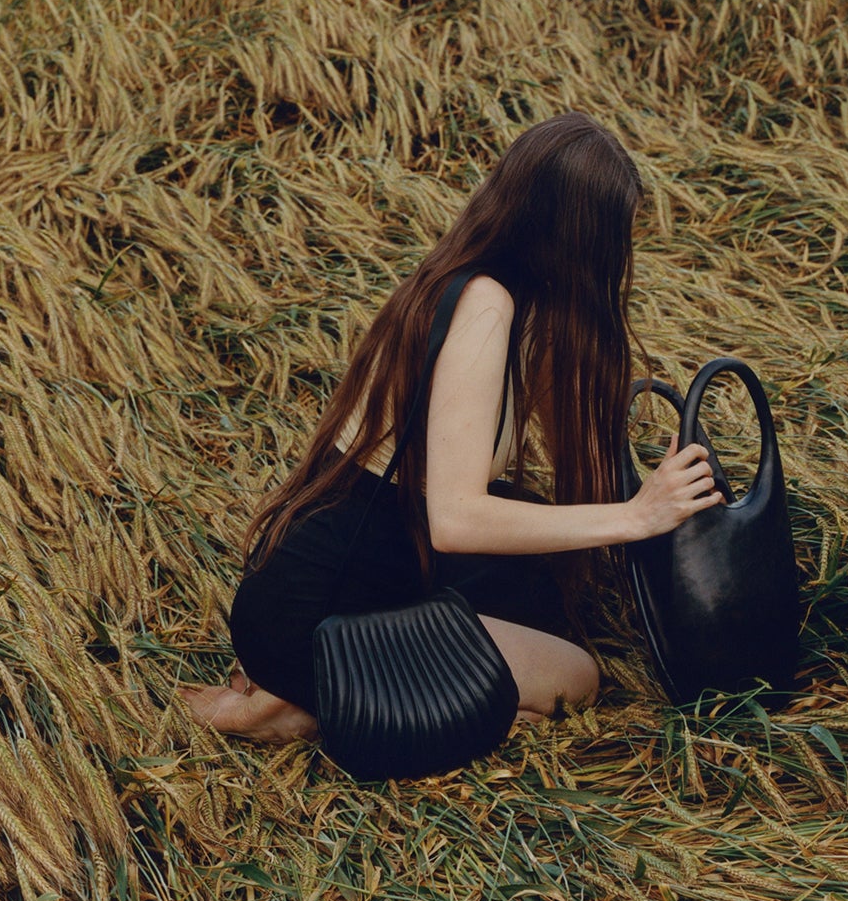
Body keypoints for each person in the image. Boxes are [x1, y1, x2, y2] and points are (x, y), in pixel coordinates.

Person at [180, 112, 724, 743]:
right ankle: (306, 706)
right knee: (575, 677)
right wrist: (636, 515)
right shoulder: (482, 310)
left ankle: (342, 691)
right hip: (317, 621)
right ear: (577, 237)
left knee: (547, 592)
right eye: (613, 239)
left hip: (376, 572)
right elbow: (457, 518)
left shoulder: (500, 299)